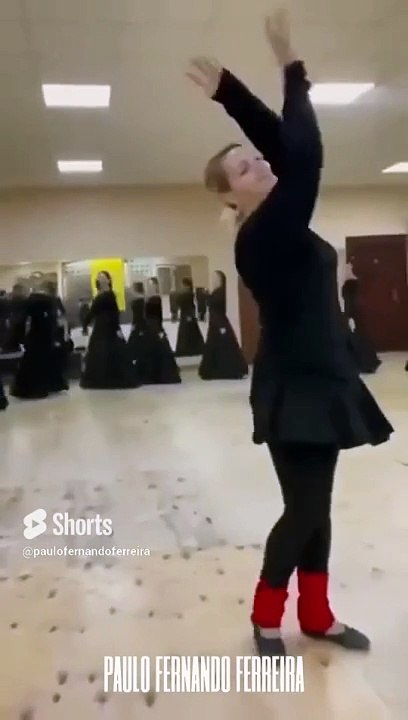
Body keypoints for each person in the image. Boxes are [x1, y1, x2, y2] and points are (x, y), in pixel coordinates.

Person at [188, 9, 393, 658]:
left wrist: (232, 95)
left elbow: (285, 149)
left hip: (325, 379)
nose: (260, 165)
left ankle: (319, 614)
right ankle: (267, 616)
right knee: (304, 509)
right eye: (244, 169)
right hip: (294, 387)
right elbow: (304, 153)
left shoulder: (278, 219)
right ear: (233, 198)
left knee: (317, 508)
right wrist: (288, 65)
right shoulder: (265, 233)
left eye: (256, 159)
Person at [80, 271, 140, 389]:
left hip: (109, 326)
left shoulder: (110, 294)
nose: (101, 279)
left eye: (103, 277)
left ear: (108, 280)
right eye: (99, 277)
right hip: (99, 326)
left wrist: (117, 328)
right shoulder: (98, 295)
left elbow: (114, 312)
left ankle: (114, 378)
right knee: (99, 351)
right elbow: (93, 312)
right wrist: (85, 325)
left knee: (113, 350)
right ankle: (99, 379)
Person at [11, 281, 60, 399]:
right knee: (44, 361)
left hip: (34, 335)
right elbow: (55, 321)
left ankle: (29, 388)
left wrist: (17, 338)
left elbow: (22, 321)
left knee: (31, 361)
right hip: (46, 336)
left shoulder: (30, 302)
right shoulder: (51, 302)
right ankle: (47, 386)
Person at [199, 271, 248, 380]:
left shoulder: (221, 292)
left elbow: (219, 307)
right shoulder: (216, 291)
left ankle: (229, 369)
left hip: (219, 322)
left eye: (214, 278)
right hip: (214, 322)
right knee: (215, 345)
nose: (212, 280)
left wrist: (221, 325)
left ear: (220, 279)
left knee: (224, 346)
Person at [342, 262, 381, 374]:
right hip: (358, 309)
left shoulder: (350, 284)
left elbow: (349, 301)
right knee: (362, 335)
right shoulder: (358, 283)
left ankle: (366, 363)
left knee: (359, 336)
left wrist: (347, 314)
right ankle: (369, 362)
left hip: (354, 309)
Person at [142, 277, 181, 384]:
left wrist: (159, 329)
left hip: (154, 326)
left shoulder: (155, 298)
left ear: (155, 286)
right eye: (148, 285)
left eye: (151, 285)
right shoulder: (148, 298)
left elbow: (157, 315)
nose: (149, 287)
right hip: (149, 326)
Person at [175, 277, 205, 357]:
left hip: (185, 315)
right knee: (192, 332)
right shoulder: (190, 293)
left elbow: (179, 302)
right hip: (189, 315)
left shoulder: (186, 294)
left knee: (185, 333)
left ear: (185, 285)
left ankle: (185, 349)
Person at [127, 282, 149, 382]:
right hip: (141, 323)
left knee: (134, 343)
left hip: (138, 323)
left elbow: (138, 315)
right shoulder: (143, 299)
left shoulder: (138, 300)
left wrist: (134, 324)